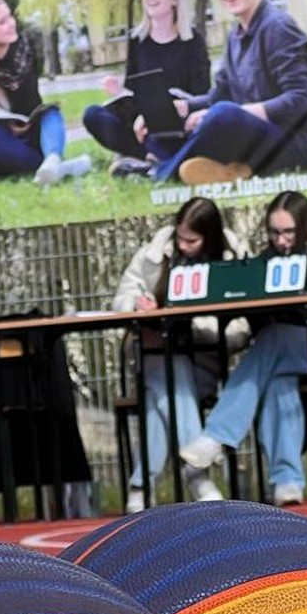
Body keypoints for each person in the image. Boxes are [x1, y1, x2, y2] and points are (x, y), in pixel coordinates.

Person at [178, 191, 307, 507]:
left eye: (289, 232)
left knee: (277, 338)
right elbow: (259, 323)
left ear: (305, 226)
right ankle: (287, 481)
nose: (281, 240)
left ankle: (217, 435)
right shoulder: (267, 260)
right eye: (274, 232)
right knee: (278, 380)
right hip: (285, 355)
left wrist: (303, 304)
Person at [111, 195, 247, 511]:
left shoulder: (234, 257)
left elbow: (242, 329)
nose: (183, 246)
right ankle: (196, 474)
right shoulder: (154, 252)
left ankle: (140, 487)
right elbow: (122, 297)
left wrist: (193, 327)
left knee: (162, 396)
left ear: (209, 237)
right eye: (180, 237)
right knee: (169, 370)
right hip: (153, 356)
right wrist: (137, 306)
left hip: (203, 361)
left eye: (192, 240)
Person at [160, 0, 307, 187]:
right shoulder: (235, 35)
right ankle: (228, 170)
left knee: (222, 114)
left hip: (293, 147)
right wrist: (183, 107)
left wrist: (239, 112)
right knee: (169, 117)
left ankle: (158, 171)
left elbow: (303, 97)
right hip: (253, 139)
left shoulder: (278, 28)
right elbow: (220, 94)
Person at [82, 0, 211, 177]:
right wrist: (118, 92)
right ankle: (149, 157)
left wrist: (168, 108)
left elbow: (201, 94)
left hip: (177, 121)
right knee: (93, 114)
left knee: (190, 129)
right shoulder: (137, 40)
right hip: (140, 123)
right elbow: (133, 89)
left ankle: (145, 159)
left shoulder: (193, 41)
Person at [0, 0, 90, 184]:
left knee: (50, 114)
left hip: (34, 134)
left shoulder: (23, 46)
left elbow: (15, 80)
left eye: (10, 16)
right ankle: (61, 169)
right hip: (6, 144)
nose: (11, 24)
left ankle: (53, 160)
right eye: (2, 22)